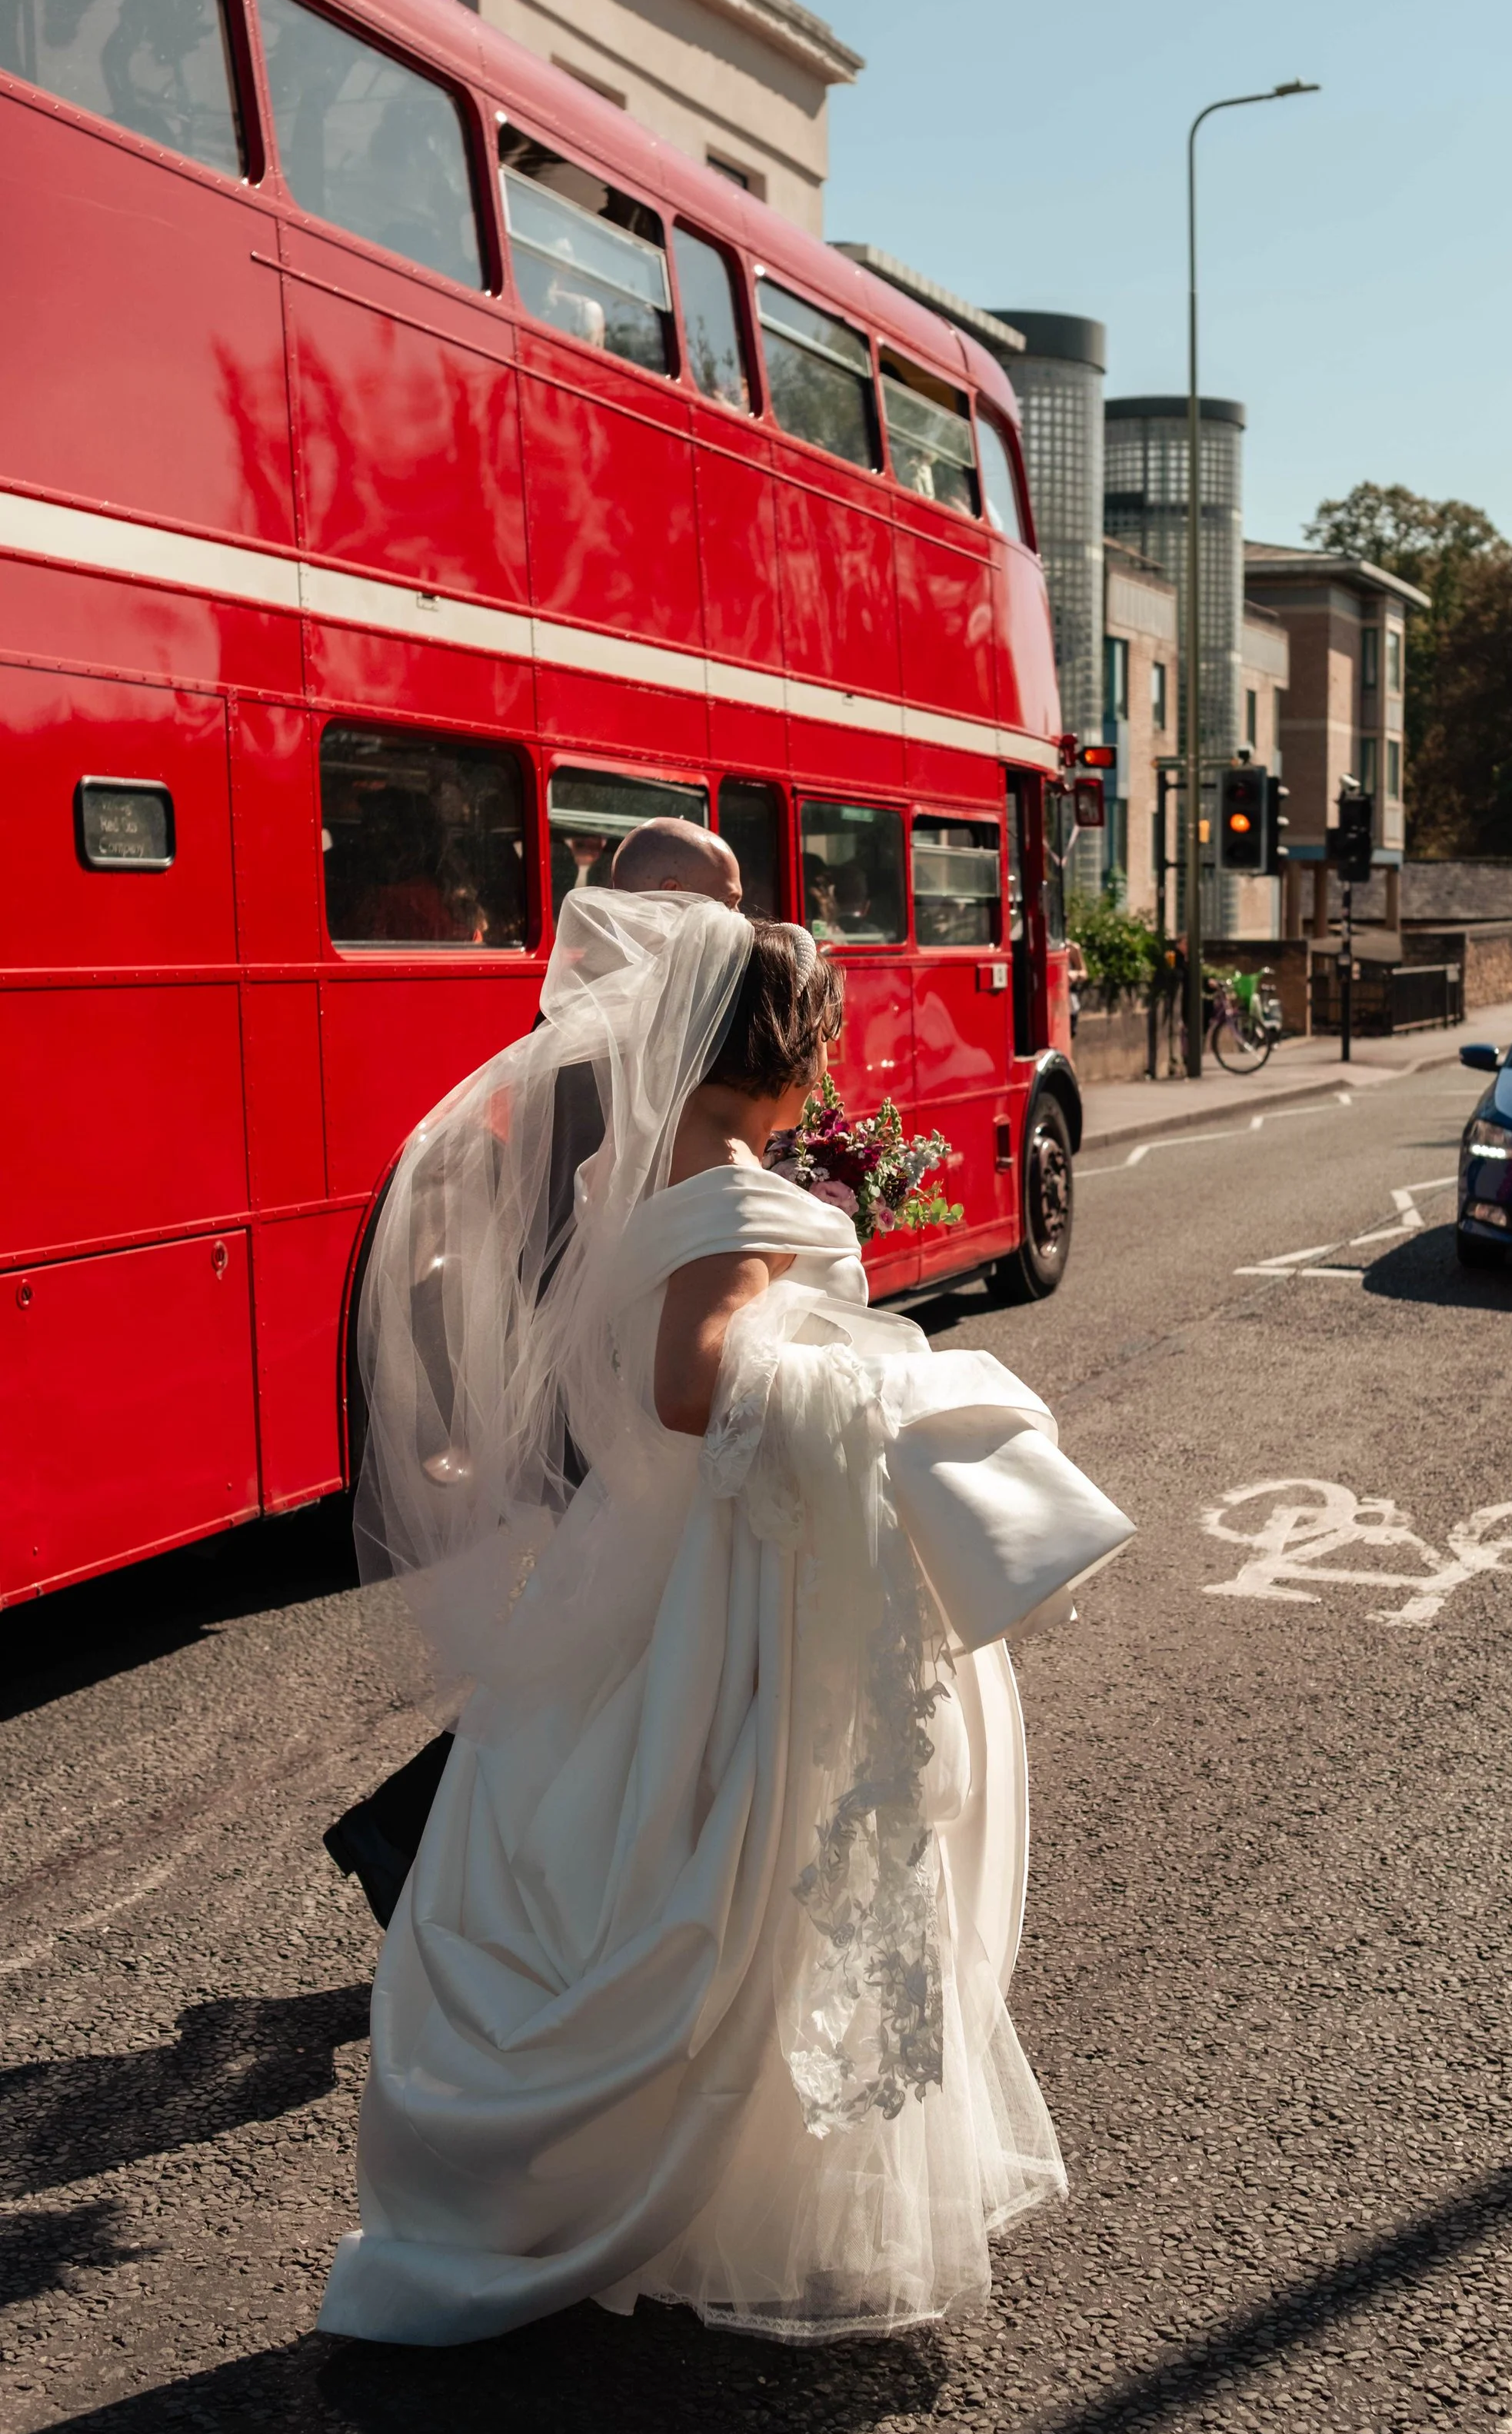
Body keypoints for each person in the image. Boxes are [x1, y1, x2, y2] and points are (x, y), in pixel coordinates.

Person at [318, 887, 1123, 2345]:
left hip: (631, 1561)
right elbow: (696, 1387)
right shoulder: (750, 1201)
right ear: (796, 1066)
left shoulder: (635, 1190)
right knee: (744, 1878)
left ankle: (562, 2172)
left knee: (605, 1850)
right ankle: (692, 2190)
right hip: (724, 1584)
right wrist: (884, 1387)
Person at [323, 815, 743, 1927]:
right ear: (654, 901)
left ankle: (555, 1872)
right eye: (719, 902)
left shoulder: (614, 1027)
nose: (740, 925)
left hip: (623, 1379)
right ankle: (428, 1836)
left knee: (631, 1650)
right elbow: (584, 1234)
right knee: (625, 1651)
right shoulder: (605, 1046)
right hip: (620, 1389)